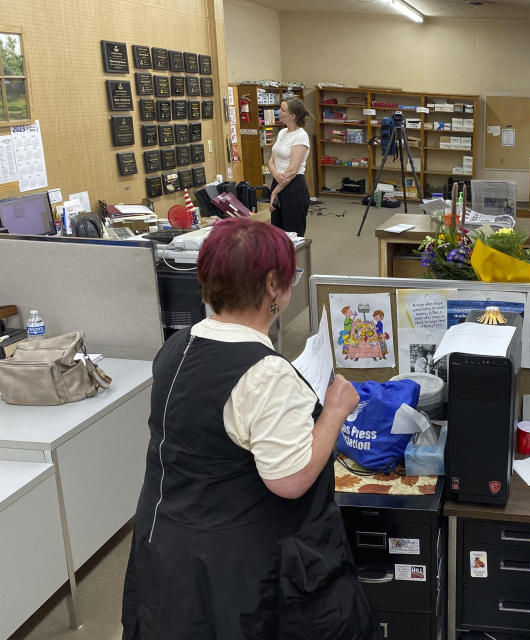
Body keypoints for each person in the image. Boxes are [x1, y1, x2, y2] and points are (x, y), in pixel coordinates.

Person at [122, 218, 375, 639]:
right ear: (273, 285)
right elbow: (290, 480)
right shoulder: (265, 374)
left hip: (166, 543)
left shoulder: (178, 344)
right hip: (233, 566)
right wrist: (334, 411)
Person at [268, 97, 311, 237]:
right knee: (277, 234)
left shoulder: (301, 136)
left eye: (282, 110)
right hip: (278, 182)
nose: (278, 112)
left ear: (293, 116)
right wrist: (277, 178)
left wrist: (275, 192)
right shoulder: (282, 133)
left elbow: (292, 170)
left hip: (293, 188)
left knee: (293, 236)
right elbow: (271, 161)